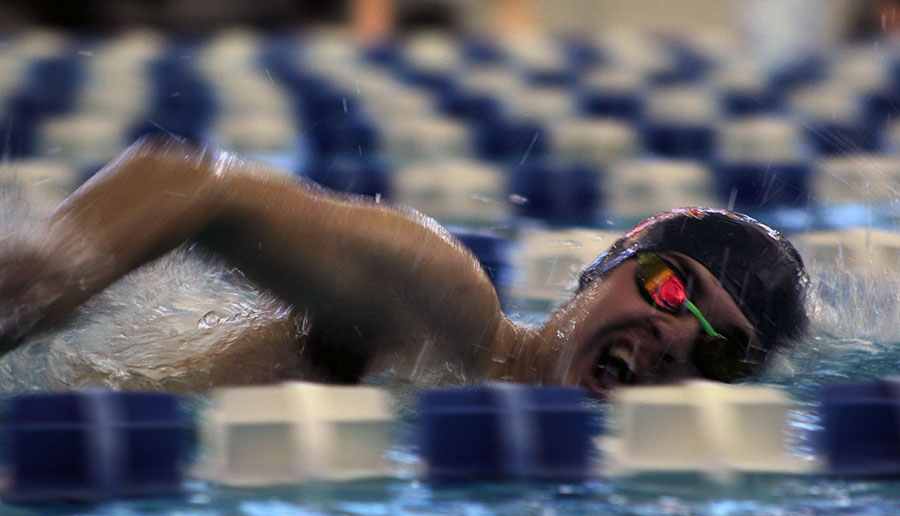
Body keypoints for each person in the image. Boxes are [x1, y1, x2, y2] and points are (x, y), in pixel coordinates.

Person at [0, 135, 808, 394]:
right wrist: (33, 285)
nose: (674, 334)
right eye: (671, 286)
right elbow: (185, 182)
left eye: (719, 349)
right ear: (605, 270)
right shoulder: (441, 309)